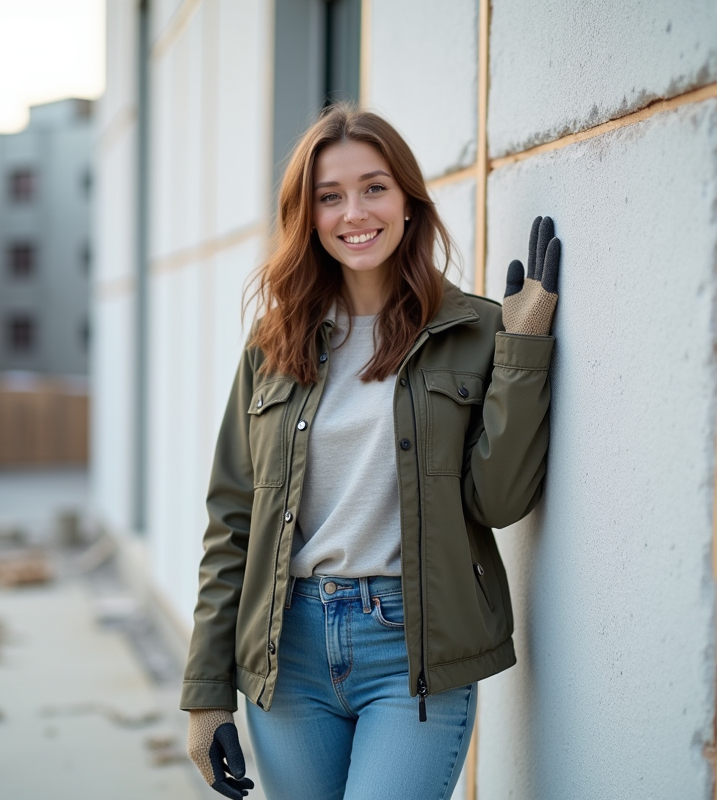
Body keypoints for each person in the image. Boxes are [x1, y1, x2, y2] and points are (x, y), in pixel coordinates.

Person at [182, 102, 561, 800]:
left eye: (374, 188)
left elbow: (500, 501)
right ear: (309, 216)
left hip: (413, 649)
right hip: (285, 652)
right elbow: (232, 522)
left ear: (409, 202)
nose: (355, 212)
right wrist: (206, 694)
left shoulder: (477, 331)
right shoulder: (273, 345)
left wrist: (523, 351)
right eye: (330, 196)